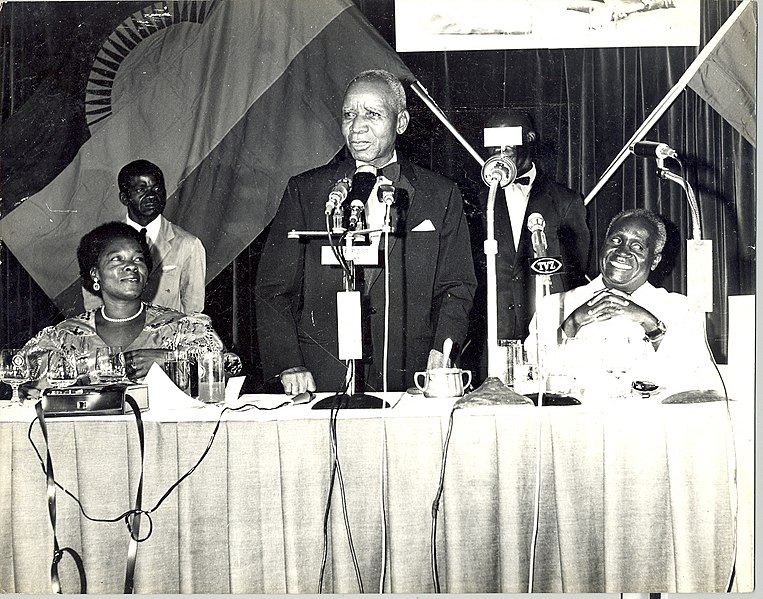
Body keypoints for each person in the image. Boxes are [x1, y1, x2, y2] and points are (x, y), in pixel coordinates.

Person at [255, 69, 476, 394]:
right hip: (321, 377)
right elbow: (273, 288)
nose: (357, 127)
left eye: (372, 114)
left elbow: (457, 285)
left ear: (400, 122)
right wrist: (289, 362)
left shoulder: (440, 195)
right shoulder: (306, 192)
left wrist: (443, 351)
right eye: (349, 114)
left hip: (409, 376)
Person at [525, 208, 723, 398]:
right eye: (616, 240)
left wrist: (651, 325)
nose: (622, 251)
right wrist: (572, 323)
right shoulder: (554, 305)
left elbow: (695, 384)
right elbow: (532, 380)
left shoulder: (680, 309)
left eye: (637, 246)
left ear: (654, 260)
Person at [25, 222, 234, 394]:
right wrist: (92, 366)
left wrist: (169, 359)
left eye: (138, 259)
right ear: (95, 274)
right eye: (117, 259)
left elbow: (230, 367)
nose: (132, 266)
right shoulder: (65, 335)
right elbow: (22, 376)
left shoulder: (180, 327)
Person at [477, 109, 590, 344]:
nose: (500, 152)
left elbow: (575, 276)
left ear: (529, 140)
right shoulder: (478, 201)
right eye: (493, 145)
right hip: (490, 337)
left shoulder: (566, 202)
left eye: (508, 143)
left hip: (546, 334)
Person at [82, 159, 206, 314]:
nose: (152, 196)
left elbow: (193, 312)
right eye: (141, 190)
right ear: (124, 198)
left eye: (157, 189)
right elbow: (93, 307)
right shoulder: (100, 243)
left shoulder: (188, 245)